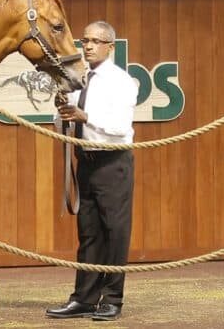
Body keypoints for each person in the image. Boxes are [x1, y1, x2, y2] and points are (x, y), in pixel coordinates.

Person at [46, 21, 138, 321]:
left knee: (115, 232)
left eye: (96, 41)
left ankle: (112, 299)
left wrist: (86, 116)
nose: (87, 46)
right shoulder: (80, 79)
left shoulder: (122, 81)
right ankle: (84, 299)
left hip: (113, 163)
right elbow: (66, 123)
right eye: (85, 40)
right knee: (88, 234)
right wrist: (62, 110)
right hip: (85, 161)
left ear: (110, 47)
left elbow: (120, 128)